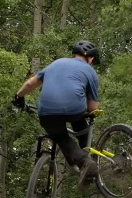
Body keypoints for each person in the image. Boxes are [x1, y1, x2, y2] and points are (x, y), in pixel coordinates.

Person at [12, 40, 100, 189]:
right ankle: (87, 161)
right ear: (90, 58)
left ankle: (83, 162)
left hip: (46, 111)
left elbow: (29, 84)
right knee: (80, 119)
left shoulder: (56, 63)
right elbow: (92, 107)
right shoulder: (89, 71)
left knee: (59, 135)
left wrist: (18, 98)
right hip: (73, 109)